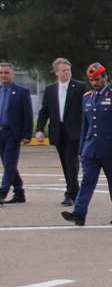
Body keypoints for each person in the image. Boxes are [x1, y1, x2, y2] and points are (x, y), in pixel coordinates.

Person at [61, 63, 112, 226]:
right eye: (92, 80)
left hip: (110, 148)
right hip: (90, 149)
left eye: (97, 79)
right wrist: (82, 148)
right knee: (86, 182)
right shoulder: (87, 97)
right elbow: (85, 126)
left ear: (105, 77)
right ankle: (79, 214)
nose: (95, 83)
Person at [35, 58, 88, 206]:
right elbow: (44, 111)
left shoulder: (80, 87)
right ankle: (74, 190)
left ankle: (70, 193)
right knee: (65, 163)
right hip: (58, 130)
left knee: (71, 162)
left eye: (68, 70)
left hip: (74, 131)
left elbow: (87, 109)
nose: (66, 73)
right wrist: (39, 129)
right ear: (56, 72)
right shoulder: (51, 89)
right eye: (63, 70)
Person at [0, 62, 33, 206]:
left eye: (6, 72)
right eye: (1, 73)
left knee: (9, 164)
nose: (3, 75)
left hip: (12, 133)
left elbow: (28, 114)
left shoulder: (21, 91)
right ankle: (19, 192)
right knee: (8, 164)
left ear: (12, 74)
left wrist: (27, 134)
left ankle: (1, 193)